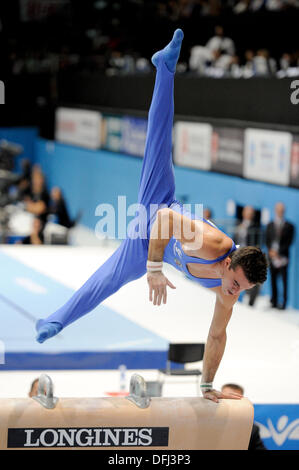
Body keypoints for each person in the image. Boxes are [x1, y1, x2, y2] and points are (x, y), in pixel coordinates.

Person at [36, 29, 268, 403]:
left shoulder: (228, 291)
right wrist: (155, 269)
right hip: (158, 209)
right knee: (159, 136)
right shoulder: (213, 244)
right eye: (236, 283)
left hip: (149, 247)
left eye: (242, 290)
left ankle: (53, 320)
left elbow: (217, 335)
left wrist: (207, 384)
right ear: (228, 263)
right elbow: (161, 220)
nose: (234, 292)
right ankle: (165, 67)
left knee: (103, 283)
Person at [266, 202, 295, 310]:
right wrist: (271, 252)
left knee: (284, 280)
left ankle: (284, 302)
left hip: (283, 257)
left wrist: (279, 252)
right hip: (272, 256)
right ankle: (274, 300)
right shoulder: (270, 225)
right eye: (278, 210)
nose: (280, 212)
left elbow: (289, 242)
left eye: (282, 210)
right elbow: (267, 240)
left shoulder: (290, 226)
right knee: (273, 278)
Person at [221, 383, 267, 450]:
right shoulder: (205, 423)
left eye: (233, 399)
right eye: (225, 398)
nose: (229, 402)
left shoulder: (252, 429)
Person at [234, 205, 261, 306]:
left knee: (252, 276)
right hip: (239, 254)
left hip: (249, 256)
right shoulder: (239, 225)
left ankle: (251, 301)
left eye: (250, 212)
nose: (248, 214)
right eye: (247, 212)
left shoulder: (255, 227)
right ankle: (237, 297)